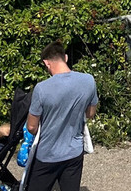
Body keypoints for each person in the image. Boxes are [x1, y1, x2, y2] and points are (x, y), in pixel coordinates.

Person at [25, 41, 98, 191]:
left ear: (46, 63)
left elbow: (31, 127)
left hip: (47, 154)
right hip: (74, 151)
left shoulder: (41, 88)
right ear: (65, 57)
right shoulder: (88, 80)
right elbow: (90, 114)